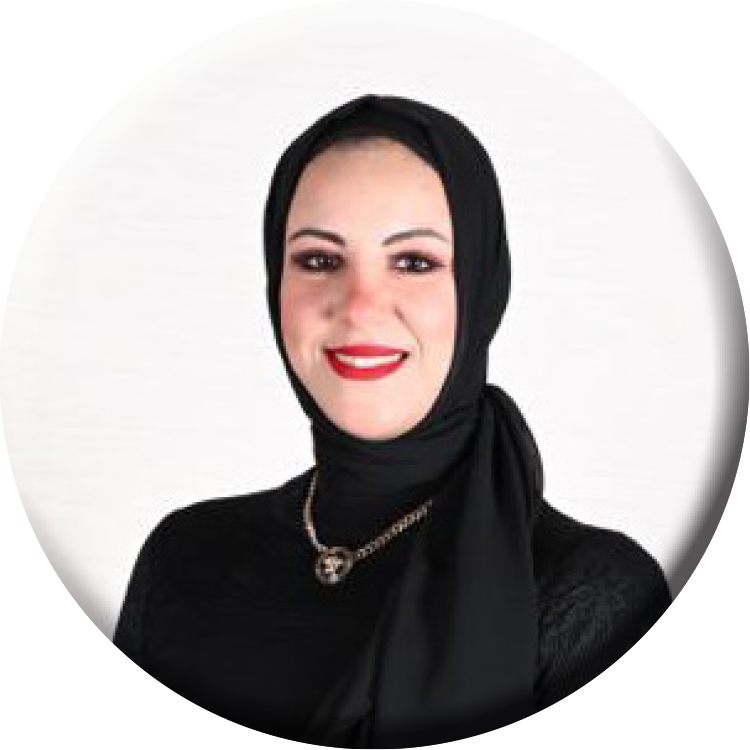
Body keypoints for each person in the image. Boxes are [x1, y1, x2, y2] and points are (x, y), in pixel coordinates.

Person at [113, 94, 672, 747]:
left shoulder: (593, 596)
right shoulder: (186, 559)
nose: (359, 306)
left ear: (481, 287)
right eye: (319, 260)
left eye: (414, 262)